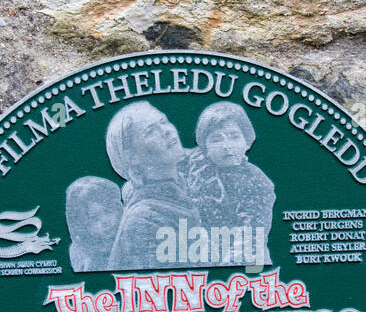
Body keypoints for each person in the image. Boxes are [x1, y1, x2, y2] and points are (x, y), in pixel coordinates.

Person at [104, 101, 201, 271]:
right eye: (150, 131)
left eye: (163, 122)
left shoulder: (194, 182)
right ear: (133, 158)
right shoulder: (143, 220)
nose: (166, 131)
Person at [183, 101, 275, 265]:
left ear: (247, 142)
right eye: (216, 139)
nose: (227, 146)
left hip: (235, 262)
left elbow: (251, 237)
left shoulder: (257, 181)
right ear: (205, 147)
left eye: (234, 136)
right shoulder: (192, 166)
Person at [64, 176, 122, 272]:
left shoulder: (129, 235)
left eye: (108, 211)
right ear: (82, 226)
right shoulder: (81, 252)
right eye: (95, 218)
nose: (105, 222)